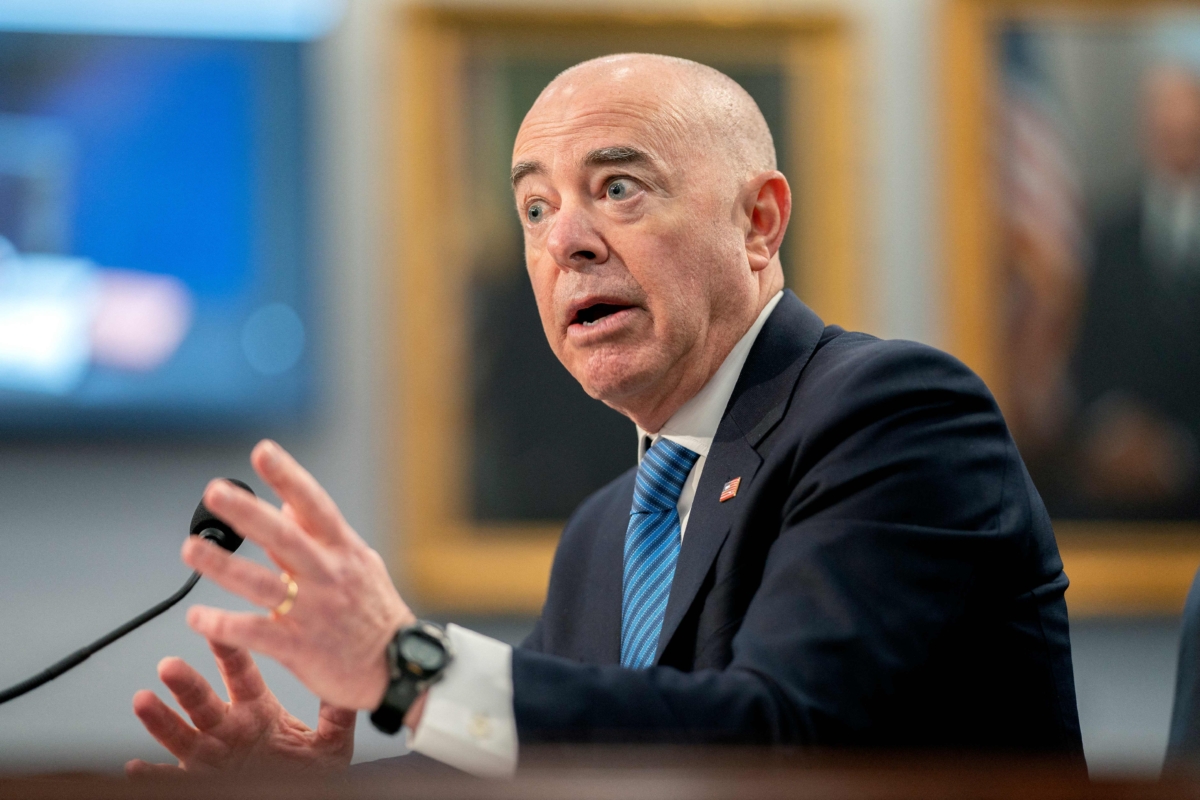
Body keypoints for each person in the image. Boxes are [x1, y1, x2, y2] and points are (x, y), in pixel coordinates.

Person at [127, 53, 1082, 778]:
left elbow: (781, 746)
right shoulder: (602, 535)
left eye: (617, 189)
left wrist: (405, 667)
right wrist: (320, 794)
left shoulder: (897, 417)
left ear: (759, 223)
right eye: (535, 209)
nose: (566, 243)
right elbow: (557, 763)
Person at [1064, 63, 1200, 517]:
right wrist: (1116, 429)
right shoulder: (1110, 234)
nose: (1175, 139)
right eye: (1165, 129)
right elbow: (1088, 354)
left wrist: (1181, 452)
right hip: (1122, 489)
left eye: (1187, 129)